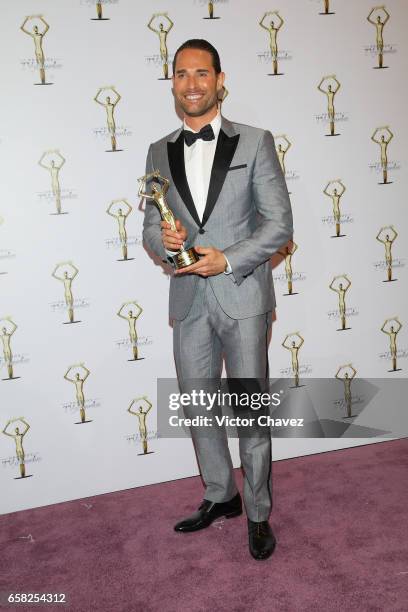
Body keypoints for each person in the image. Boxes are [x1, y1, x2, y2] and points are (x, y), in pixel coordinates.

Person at [142, 39, 293, 560]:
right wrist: (167, 243)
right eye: (182, 74)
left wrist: (227, 259)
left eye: (201, 74)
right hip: (187, 301)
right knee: (199, 406)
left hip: (242, 294)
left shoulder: (255, 142)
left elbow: (279, 225)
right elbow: (149, 229)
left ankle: (257, 512)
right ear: (173, 83)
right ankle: (218, 494)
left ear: (219, 79)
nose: (192, 84)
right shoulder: (158, 151)